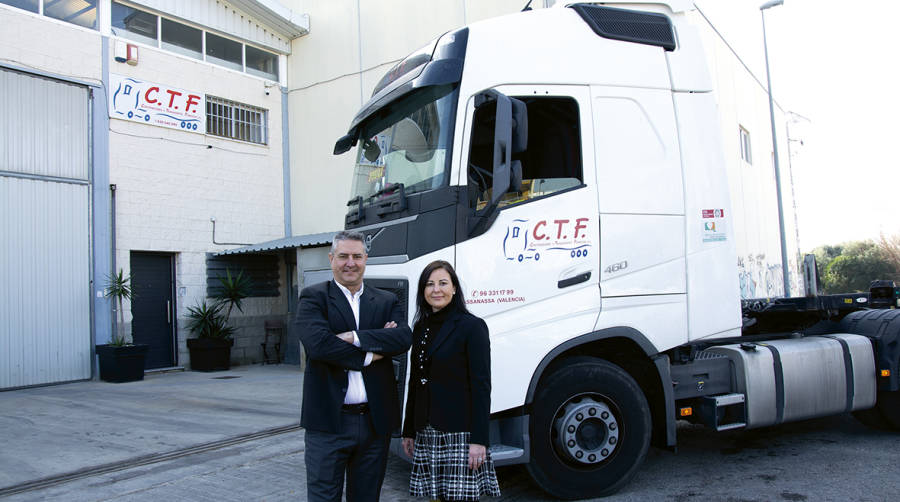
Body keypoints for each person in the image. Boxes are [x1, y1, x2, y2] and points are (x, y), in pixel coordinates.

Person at [296, 231, 412, 502]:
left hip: (374, 424)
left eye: (357, 256)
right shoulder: (313, 298)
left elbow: (403, 338)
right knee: (323, 497)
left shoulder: (386, 300)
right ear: (331, 259)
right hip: (327, 424)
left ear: (365, 259)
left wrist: (353, 337)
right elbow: (319, 346)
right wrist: (372, 354)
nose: (350, 263)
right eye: (343, 256)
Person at [401, 260, 501, 501]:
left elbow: (481, 386)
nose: (436, 290)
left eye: (443, 283)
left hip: (459, 432)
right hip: (426, 429)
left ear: (454, 288)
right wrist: (409, 430)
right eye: (430, 284)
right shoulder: (420, 327)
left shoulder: (472, 326)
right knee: (434, 497)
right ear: (423, 291)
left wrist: (479, 440)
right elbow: (415, 380)